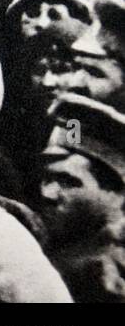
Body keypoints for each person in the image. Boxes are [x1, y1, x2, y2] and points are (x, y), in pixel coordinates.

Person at [38, 93, 125, 302]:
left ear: (116, 195)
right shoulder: (69, 248)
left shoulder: (105, 279)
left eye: (69, 182)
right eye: (46, 178)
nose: (47, 192)